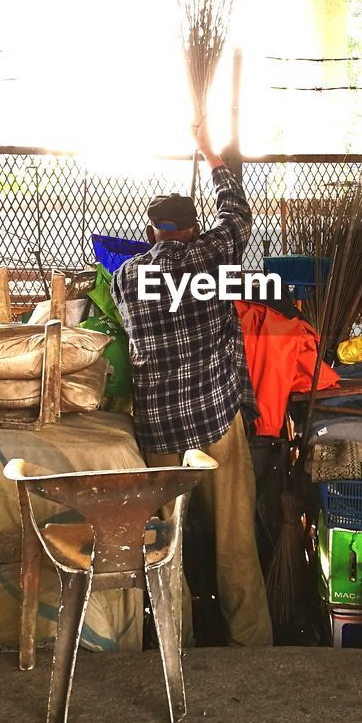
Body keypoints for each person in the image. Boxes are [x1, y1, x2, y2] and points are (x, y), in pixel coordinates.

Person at [111, 123, 273, 648]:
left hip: (158, 433)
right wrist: (212, 156)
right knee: (235, 542)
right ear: (193, 227)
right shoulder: (212, 258)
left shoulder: (126, 277)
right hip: (215, 424)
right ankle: (252, 646)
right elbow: (238, 214)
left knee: (166, 543)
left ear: (153, 230)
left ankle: (174, 646)